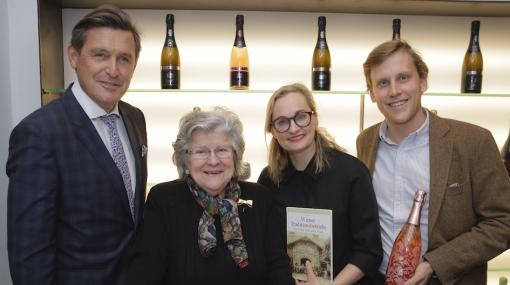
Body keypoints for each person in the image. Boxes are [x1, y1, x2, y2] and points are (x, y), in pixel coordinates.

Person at [6, 5, 147, 285]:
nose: (113, 70)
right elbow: (29, 254)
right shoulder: (39, 133)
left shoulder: (135, 118)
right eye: (100, 55)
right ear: (74, 56)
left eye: (124, 59)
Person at [357, 40, 510, 285]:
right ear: (372, 93)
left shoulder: (473, 141)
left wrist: (435, 265)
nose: (394, 90)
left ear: (423, 81)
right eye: (383, 83)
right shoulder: (366, 141)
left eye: (403, 78)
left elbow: (503, 222)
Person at [127, 106, 320, 285]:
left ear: (235, 157)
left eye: (222, 150)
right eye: (201, 151)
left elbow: (278, 272)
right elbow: (144, 276)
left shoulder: (260, 199)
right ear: (186, 160)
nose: (213, 161)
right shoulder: (164, 200)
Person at [258, 83, 383, 285]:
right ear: (272, 130)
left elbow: (369, 251)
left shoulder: (352, 173)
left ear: (314, 118)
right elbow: (270, 249)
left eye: (301, 116)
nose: (293, 128)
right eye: (282, 122)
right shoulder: (268, 180)